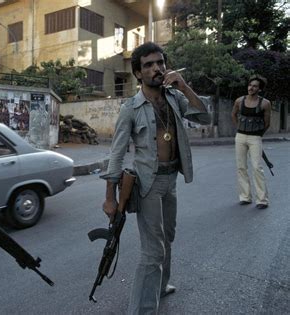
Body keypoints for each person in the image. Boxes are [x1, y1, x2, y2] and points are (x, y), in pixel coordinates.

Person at [101, 42, 211, 314]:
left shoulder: (175, 98)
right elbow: (116, 154)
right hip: (147, 185)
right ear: (138, 73)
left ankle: (161, 286)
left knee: (168, 237)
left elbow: (205, 117)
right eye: (148, 65)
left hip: (171, 179)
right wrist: (109, 198)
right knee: (152, 252)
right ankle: (141, 310)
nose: (157, 68)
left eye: (160, 62)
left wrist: (184, 86)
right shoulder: (131, 108)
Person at [231, 75, 271, 209]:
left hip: (255, 138)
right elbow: (233, 115)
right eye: (250, 85)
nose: (251, 88)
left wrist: (258, 135)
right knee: (241, 167)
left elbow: (267, 123)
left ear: (259, 89)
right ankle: (245, 197)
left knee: (257, 167)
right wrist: (239, 128)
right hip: (240, 137)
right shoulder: (239, 101)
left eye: (255, 86)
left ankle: (262, 200)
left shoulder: (265, 103)